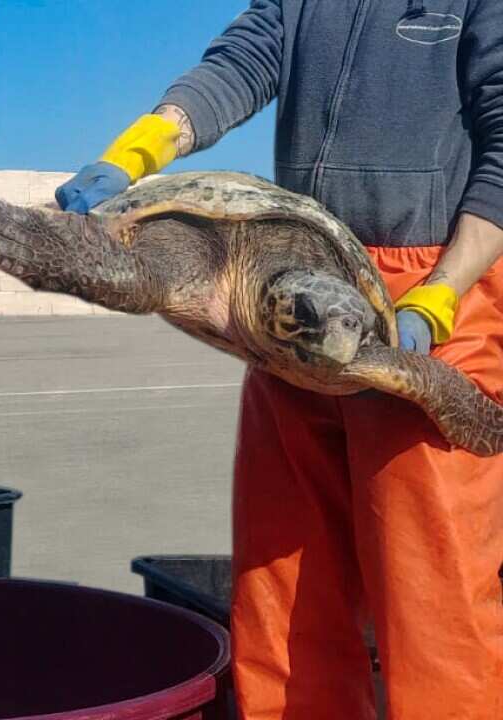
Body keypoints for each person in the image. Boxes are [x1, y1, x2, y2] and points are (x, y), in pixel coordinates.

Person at [56, 2, 503, 719]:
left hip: (430, 290)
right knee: (284, 584)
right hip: (293, 291)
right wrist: (136, 150)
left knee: (432, 598)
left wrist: (441, 294)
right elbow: (239, 64)